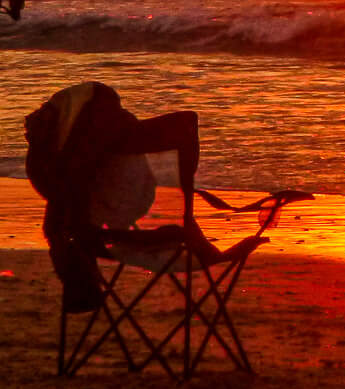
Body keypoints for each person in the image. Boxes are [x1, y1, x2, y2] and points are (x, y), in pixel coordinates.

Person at [24, 81, 210, 311]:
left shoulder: (68, 170)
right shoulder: (104, 144)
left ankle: (82, 284)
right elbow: (186, 124)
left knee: (66, 221)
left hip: (107, 233)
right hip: (156, 230)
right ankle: (82, 281)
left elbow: (63, 225)